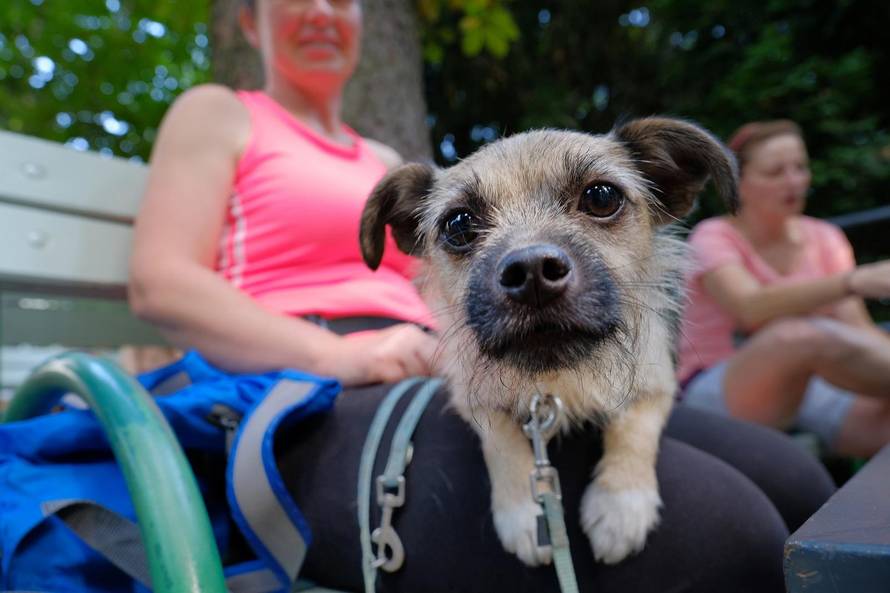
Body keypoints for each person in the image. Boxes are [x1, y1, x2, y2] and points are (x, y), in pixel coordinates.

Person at [128, 2, 832, 590]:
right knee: (732, 533)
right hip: (311, 385)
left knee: (797, 479)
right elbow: (160, 283)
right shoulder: (219, 111)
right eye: (462, 227)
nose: (320, 9)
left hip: (445, 357)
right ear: (249, 23)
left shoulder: (380, 154)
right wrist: (340, 352)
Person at [678, 119, 890, 458]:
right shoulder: (713, 235)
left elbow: (859, 331)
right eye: (776, 172)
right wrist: (852, 282)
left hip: (808, 388)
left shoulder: (825, 238)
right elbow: (749, 307)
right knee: (796, 336)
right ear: (739, 184)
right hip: (716, 389)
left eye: (800, 168)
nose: (794, 182)